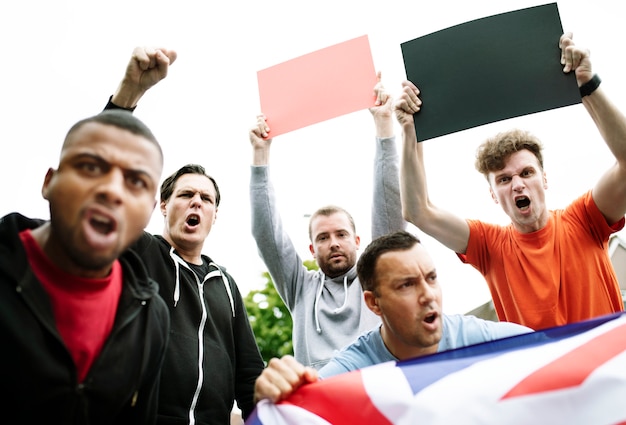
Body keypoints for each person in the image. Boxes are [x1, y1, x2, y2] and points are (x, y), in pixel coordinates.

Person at [395, 32, 626, 331]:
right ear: (493, 194)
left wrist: (588, 84)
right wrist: (411, 131)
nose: (517, 184)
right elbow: (418, 211)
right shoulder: (490, 246)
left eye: (526, 173)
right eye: (504, 179)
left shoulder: (584, 219)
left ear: (544, 179)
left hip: (607, 372)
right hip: (545, 378)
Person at [104, 47, 265, 424]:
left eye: (205, 198)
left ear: (214, 214)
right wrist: (128, 95)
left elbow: (249, 376)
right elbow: (102, 188)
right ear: (163, 205)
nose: (196, 203)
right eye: (185, 195)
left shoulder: (225, 284)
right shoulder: (139, 253)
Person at [0, 109, 170, 424]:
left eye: (136, 181)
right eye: (91, 167)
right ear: (49, 183)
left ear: (148, 211)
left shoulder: (151, 315)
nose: (112, 190)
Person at [253, 230, 532, 403]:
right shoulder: (354, 368)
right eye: (407, 284)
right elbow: (303, 405)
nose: (428, 295)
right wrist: (275, 395)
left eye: (431, 278)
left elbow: (552, 350)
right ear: (374, 304)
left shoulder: (474, 335)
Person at [248, 73, 406, 370]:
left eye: (341, 234)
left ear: (357, 241)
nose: (333, 242)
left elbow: (390, 203)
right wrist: (260, 154)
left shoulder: (377, 275)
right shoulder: (300, 288)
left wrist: (384, 126)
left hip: (375, 397)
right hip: (322, 407)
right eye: (322, 238)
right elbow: (265, 234)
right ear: (311, 249)